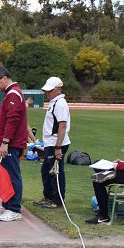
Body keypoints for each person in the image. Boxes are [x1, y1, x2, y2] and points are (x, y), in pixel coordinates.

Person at [0, 67, 30, 222]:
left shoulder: (13, 94)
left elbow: (13, 120)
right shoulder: (9, 94)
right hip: (7, 142)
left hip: (12, 144)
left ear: (4, 79)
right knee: (5, 175)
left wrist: (5, 142)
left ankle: (14, 209)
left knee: (12, 176)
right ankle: (6, 204)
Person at [34, 76, 71, 209]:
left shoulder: (60, 104)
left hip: (57, 143)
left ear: (58, 89)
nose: (47, 93)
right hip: (51, 143)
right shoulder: (54, 102)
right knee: (46, 170)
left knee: (55, 171)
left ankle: (58, 200)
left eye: (50, 90)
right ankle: (49, 196)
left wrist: (58, 147)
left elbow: (62, 126)